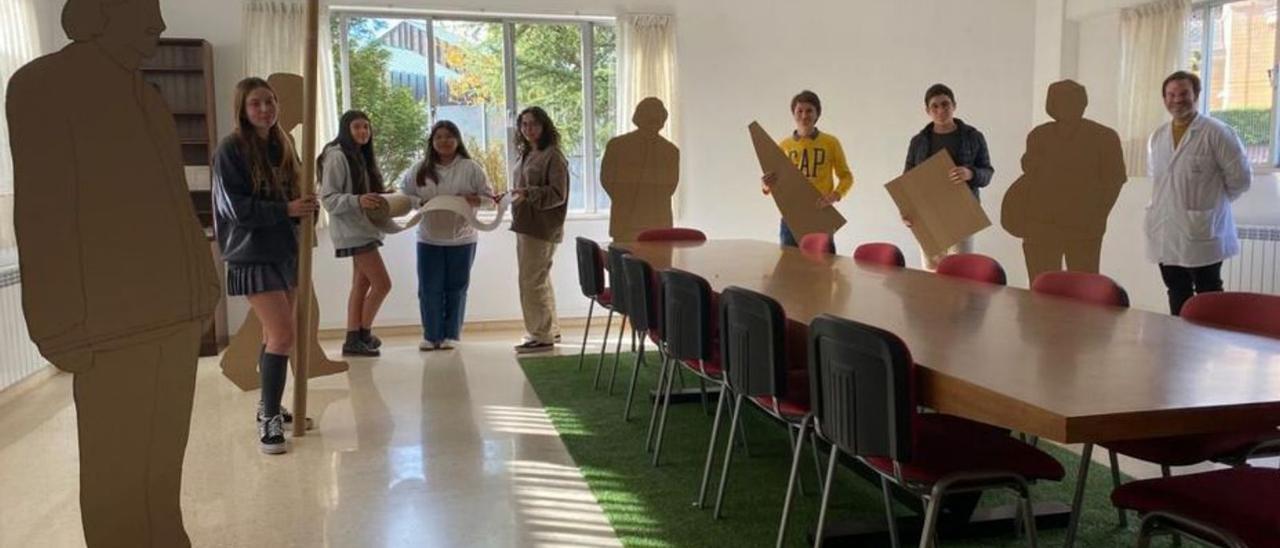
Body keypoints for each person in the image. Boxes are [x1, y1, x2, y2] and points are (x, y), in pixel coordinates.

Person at [7, 0, 220, 544]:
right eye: (142, 9)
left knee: (159, 477)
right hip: (110, 327)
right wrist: (54, 323)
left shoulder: (146, 97)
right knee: (114, 484)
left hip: (173, 313)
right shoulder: (43, 85)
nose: (159, 24)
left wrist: (202, 288)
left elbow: (176, 203)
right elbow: (42, 211)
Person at [213, 77, 319, 455]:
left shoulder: (283, 145)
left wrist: (306, 207)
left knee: (272, 336)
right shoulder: (230, 149)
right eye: (256, 103)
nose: (265, 110)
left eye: (270, 102)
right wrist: (286, 210)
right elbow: (234, 209)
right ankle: (268, 418)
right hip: (251, 253)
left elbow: (297, 193)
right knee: (283, 336)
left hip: (284, 251)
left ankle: (270, 404)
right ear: (242, 109)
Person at [1145, 70, 1251, 315]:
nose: (1177, 100)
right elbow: (1158, 178)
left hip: (1203, 230)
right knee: (1176, 290)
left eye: (1184, 93)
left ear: (1196, 95)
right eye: (1171, 94)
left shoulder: (1217, 132)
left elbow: (1240, 179)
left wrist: (1211, 205)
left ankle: (1210, 348)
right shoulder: (1158, 137)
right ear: (1164, 99)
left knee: (1209, 292)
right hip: (1166, 229)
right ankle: (1180, 345)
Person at [1002, 79, 1127, 282]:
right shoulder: (1039, 135)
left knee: (1083, 291)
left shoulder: (1104, 137)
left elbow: (1114, 180)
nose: (1067, 107)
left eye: (1073, 101)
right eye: (1060, 101)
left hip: (1084, 228)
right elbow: (1030, 172)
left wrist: (1096, 214)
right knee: (1042, 288)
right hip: (1041, 226)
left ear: (1083, 103)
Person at [399, 120, 494, 350]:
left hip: (463, 238)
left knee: (457, 288)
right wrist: (420, 202)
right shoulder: (419, 169)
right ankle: (431, 336)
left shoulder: (471, 167)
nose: (444, 141)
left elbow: (490, 200)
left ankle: (452, 334)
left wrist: (473, 200)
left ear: (457, 140)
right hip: (429, 237)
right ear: (432, 142)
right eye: (439, 137)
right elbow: (403, 196)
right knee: (429, 288)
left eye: (449, 136)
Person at [319, 110, 391, 356]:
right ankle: (362, 333)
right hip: (353, 231)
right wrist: (359, 201)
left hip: (363, 229)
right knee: (383, 284)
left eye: (366, 128)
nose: (363, 132)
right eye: (357, 127)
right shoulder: (337, 157)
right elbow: (328, 199)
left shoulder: (359, 156)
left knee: (361, 285)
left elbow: (360, 192)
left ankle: (355, 338)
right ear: (345, 129)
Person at [902, 83, 994, 270]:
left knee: (960, 273)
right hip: (928, 216)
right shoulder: (918, 141)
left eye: (945, 104)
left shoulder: (973, 137)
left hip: (962, 214)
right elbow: (907, 180)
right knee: (930, 274)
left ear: (954, 106)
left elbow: (987, 173)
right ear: (927, 110)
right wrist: (906, 210)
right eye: (935, 106)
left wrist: (971, 173)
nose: (941, 110)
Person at [760, 90, 853, 253]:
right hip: (791, 216)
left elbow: (846, 177)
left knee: (824, 269)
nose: (804, 116)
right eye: (799, 111)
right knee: (789, 266)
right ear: (793, 114)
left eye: (809, 110)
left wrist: (836, 195)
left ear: (817, 114)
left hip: (821, 214)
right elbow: (775, 185)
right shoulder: (784, 146)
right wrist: (766, 186)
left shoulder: (830, 143)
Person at [509, 107, 569, 353]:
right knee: (538, 278)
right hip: (525, 223)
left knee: (530, 280)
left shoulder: (552, 156)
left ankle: (540, 335)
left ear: (544, 126)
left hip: (541, 226)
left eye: (533, 124)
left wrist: (528, 193)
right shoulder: (527, 154)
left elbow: (558, 194)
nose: (528, 129)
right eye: (524, 124)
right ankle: (550, 329)